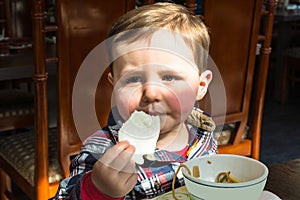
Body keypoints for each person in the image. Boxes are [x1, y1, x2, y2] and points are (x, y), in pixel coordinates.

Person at [54, 2, 217, 200]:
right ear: (114, 86)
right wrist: (97, 190)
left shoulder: (203, 130)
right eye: (133, 79)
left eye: (169, 77)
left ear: (200, 86)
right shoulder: (101, 151)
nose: (151, 93)